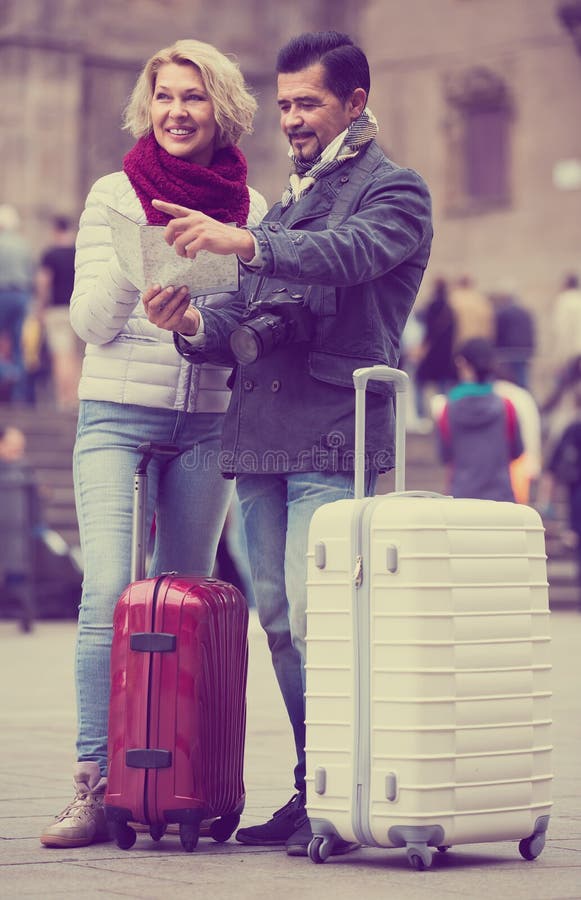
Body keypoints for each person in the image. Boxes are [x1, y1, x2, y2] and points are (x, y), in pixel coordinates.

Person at [144, 31, 433, 856]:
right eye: (285, 106)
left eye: (308, 103)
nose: (294, 119)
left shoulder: (394, 191)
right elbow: (248, 314)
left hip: (334, 435)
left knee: (321, 621)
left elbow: (348, 256)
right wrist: (194, 322)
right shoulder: (291, 200)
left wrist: (247, 241)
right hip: (259, 439)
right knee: (276, 621)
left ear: (354, 101)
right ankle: (315, 792)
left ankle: (344, 792)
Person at [39, 38, 267, 849]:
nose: (177, 111)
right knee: (108, 591)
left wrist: (202, 320)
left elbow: (251, 336)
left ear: (222, 110)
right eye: (165, 96)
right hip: (115, 416)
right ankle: (94, 785)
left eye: (194, 98)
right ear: (149, 104)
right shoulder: (113, 193)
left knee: (185, 602)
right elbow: (90, 323)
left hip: (206, 424)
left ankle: (174, 780)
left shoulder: (253, 210)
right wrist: (144, 257)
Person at [436, 338, 523, 501]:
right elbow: (517, 451)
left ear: (461, 363)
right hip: (501, 498)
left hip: (462, 497)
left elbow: (445, 455)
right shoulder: (507, 407)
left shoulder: (447, 409)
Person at [35, 215, 81, 410]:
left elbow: (43, 283)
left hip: (57, 310)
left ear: (55, 230)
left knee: (61, 355)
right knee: (77, 354)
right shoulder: (78, 252)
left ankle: (65, 399)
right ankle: (77, 398)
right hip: (78, 309)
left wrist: (40, 308)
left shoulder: (50, 254)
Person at [0, 204, 35, 401]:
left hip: (2, 294)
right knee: (17, 345)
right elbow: (31, 274)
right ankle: (19, 396)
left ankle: (7, 372)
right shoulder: (24, 244)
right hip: (22, 296)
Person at [491, 285, 536, 390]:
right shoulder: (526, 312)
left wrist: (495, 349)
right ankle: (526, 398)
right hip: (524, 351)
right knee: (522, 380)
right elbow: (531, 332)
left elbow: (498, 332)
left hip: (507, 351)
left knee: (507, 381)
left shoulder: (501, 312)